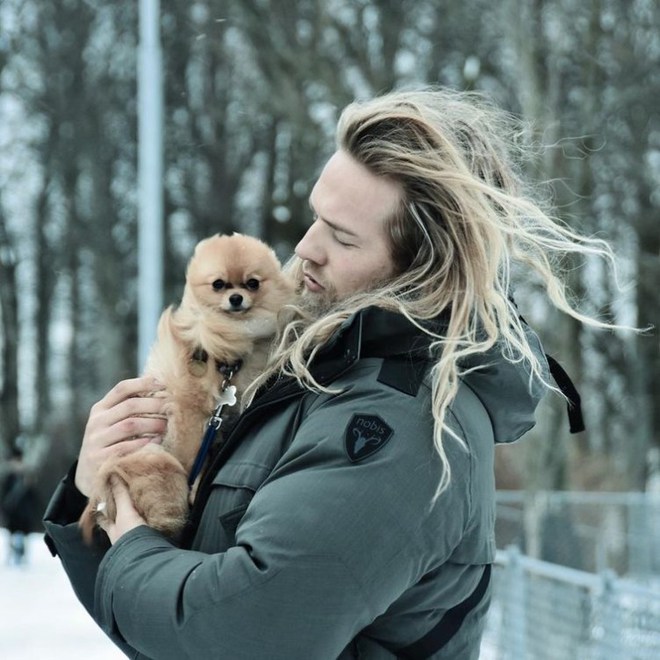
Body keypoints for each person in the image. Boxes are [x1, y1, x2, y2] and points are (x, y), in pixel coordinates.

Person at [43, 88, 611, 659]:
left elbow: (242, 632)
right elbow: (169, 633)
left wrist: (129, 541)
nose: (307, 247)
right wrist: (97, 494)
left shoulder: (403, 421)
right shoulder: (312, 380)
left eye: (343, 237)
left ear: (421, 267)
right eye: (317, 216)